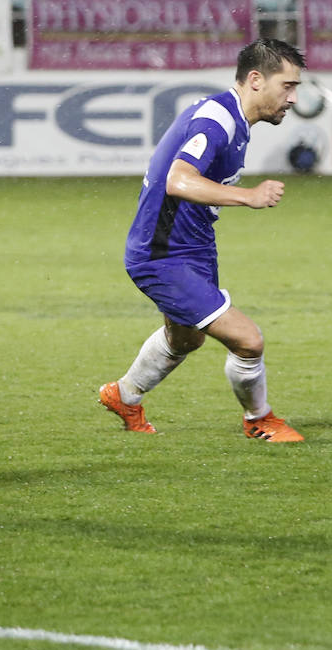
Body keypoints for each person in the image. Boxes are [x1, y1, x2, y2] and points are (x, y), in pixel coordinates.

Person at [99, 38, 307, 444]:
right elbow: (178, 181)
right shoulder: (218, 121)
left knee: (186, 337)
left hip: (192, 247)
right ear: (255, 80)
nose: (294, 98)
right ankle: (259, 419)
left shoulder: (235, 120)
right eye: (287, 86)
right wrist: (249, 196)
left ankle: (124, 396)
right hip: (161, 254)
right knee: (248, 341)